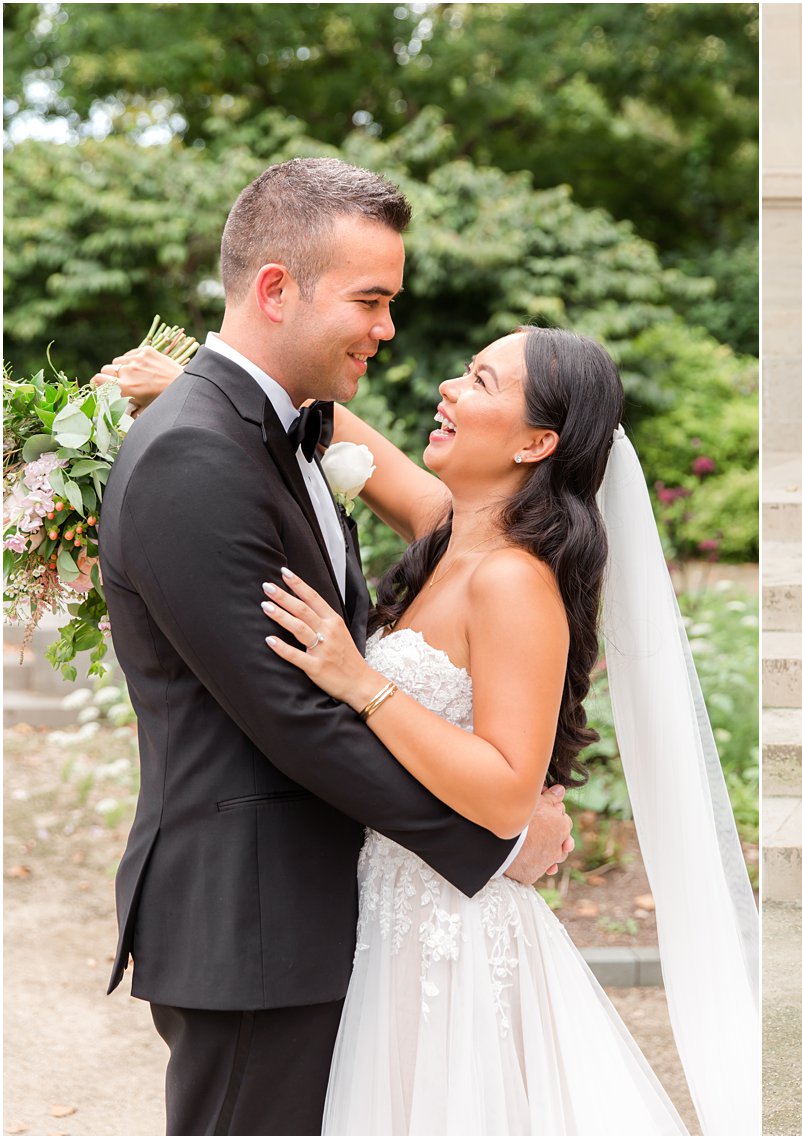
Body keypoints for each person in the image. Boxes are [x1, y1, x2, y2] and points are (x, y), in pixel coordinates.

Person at [97, 158, 572, 1135]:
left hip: (313, 912)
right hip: (249, 922)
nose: (389, 328)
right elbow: (296, 716)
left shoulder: (286, 434)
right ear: (276, 288)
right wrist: (491, 844)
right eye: (371, 298)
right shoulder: (197, 455)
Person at [259, 327, 757, 1134]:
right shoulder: (448, 534)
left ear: (537, 441)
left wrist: (363, 681)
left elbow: (503, 795)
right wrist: (188, 374)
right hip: (391, 917)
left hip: (451, 943)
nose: (450, 388)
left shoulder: (512, 580)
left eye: (482, 380)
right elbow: (323, 413)